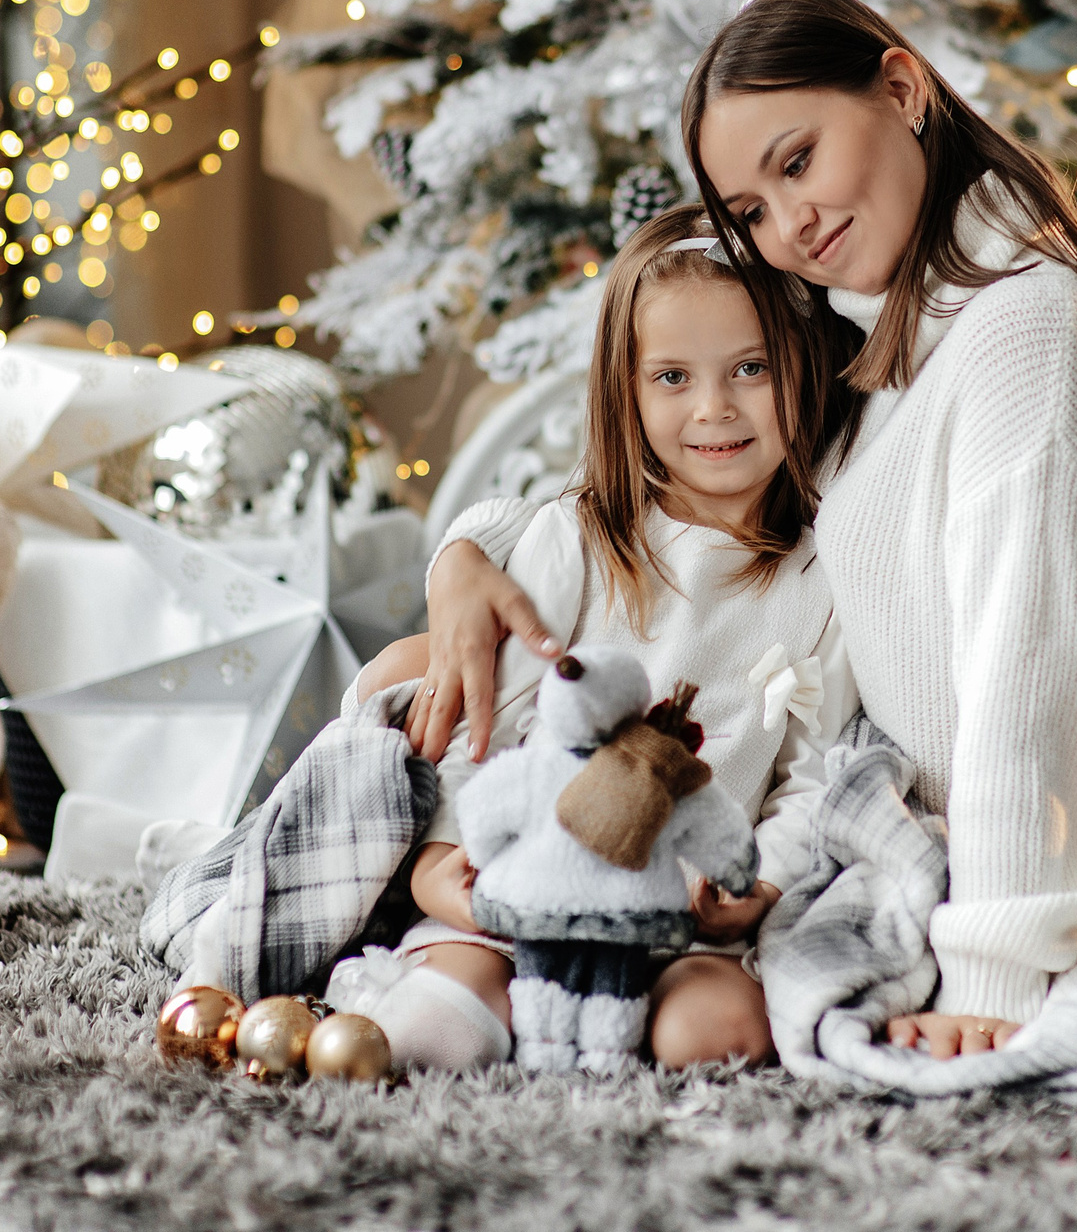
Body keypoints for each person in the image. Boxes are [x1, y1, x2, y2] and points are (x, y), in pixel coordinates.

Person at [421, 0, 1077, 1060]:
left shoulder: (1024, 334)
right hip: (846, 807)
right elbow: (631, 489)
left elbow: (1031, 671)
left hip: (929, 850)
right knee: (418, 669)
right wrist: (464, 555)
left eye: (797, 160)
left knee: (709, 1021)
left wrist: (993, 977)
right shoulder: (897, 327)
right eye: (752, 209)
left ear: (901, 88)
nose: (789, 225)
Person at [336, 206, 857, 1071]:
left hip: (687, 917)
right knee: (450, 1008)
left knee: (715, 1035)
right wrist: (440, 858)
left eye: (751, 368)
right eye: (673, 377)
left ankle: (631, 1021)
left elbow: (812, 770)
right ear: (627, 387)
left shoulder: (823, 577)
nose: (715, 408)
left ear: (802, 367)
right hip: (537, 889)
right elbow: (486, 718)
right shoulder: (579, 538)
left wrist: (758, 879)